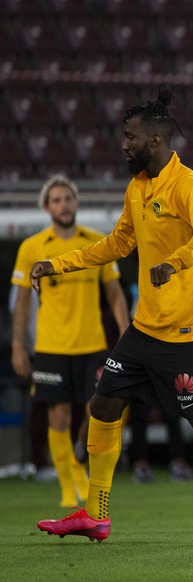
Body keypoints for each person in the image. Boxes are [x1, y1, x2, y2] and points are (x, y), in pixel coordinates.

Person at [33, 85, 193, 544]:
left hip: (187, 327)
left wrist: (175, 261)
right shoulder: (137, 186)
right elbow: (117, 244)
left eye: (130, 136)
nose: (123, 144)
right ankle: (97, 513)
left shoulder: (188, 185)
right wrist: (59, 262)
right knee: (104, 403)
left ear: (154, 140)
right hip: (146, 326)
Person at [10, 174, 129, 508]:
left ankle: (78, 463)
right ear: (47, 207)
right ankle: (68, 486)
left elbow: (115, 293)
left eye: (69, 198)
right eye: (57, 200)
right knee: (58, 416)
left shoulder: (95, 242)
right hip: (51, 346)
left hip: (92, 346)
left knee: (96, 413)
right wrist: (19, 345)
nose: (64, 204)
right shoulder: (32, 248)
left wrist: (125, 333)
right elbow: (21, 302)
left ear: (76, 202)